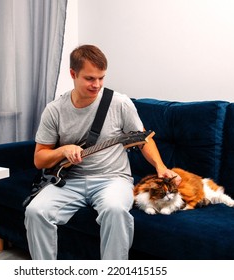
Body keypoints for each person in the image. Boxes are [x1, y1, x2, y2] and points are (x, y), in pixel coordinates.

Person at [24, 44, 181, 260]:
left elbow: (143, 139)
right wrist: (63, 150)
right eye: (90, 78)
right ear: (73, 74)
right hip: (69, 181)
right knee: (35, 212)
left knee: (115, 211)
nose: (96, 84)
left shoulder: (119, 103)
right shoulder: (54, 110)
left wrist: (160, 167)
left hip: (113, 179)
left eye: (101, 78)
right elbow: (40, 159)